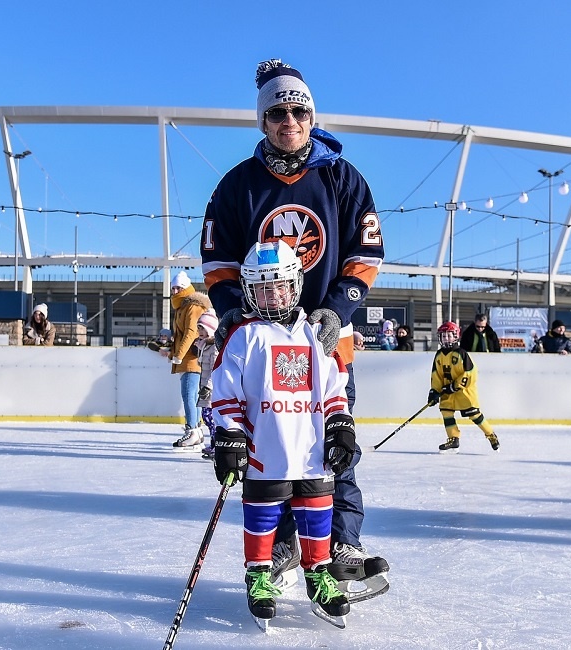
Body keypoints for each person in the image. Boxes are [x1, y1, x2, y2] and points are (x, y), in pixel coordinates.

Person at [201, 58, 388, 589]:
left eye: (299, 112)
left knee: (334, 445)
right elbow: (217, 261)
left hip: (326, 342)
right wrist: (234, 312)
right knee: (270, 450)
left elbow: (366, 252)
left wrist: (338, 308)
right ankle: (283, 543)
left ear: (312, 118)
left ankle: (342, 541)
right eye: (278, 113)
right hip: (262, 346)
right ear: (263, 120)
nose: (290, 121)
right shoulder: (237, 186)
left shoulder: (342, 178)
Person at [211, 241, 351, 627]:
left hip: (312, 448)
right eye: (262, 288)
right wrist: (230, 436)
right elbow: (226, 393)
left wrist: (340, 426)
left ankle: (318, 573)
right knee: (262, 512)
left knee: (318, 510)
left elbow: (334, 389)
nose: (272, 295)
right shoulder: (244, 336)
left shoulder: (316, 334)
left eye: (280, 286)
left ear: (296, 285)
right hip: (265, 448)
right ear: (248, 291)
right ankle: (258, 574)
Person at [427, 321, 500, 453]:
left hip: (464, 392)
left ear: (455, 336)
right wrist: (434, 391)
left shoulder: (461, 353)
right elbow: (436, 375)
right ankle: (453, 439)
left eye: (449, 335)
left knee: (475, 415)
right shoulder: (439, 355)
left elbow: (471, 373)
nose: (446, 338)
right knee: (446, 411)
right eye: (443, 336)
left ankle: (491, 435)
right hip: (447, 392)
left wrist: (455, 386)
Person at [168, 270, 212, 449]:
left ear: (186, 288)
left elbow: (191, 332)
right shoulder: (182, 307)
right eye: (173, 288)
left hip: (192, 357)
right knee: (193, 396)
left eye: (178, 288)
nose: (175, 291)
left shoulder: (192, 307)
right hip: (188, 356)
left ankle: (192, 430)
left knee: (189, 394)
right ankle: (197, 431)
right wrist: (173, 353)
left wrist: (179, 355)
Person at [195, 310, 219, 458]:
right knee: (207, 417)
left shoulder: (214, 347)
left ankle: (217, 446)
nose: (199, 332)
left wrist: (208, 387)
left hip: (211, 389)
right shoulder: (205, 346)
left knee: (210, 417)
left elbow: (215, 369)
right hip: (205, 387)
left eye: (202, 328)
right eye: (199, 328)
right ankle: (214, 444)